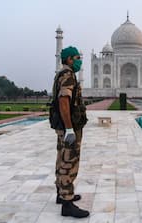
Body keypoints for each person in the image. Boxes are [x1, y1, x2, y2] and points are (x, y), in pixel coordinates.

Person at [53, 46, 89, 218]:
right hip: (68, 127)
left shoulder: (61, 73)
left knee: (61, 158)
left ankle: (61, 194)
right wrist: (69, 128)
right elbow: (64, 101)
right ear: (69, 59)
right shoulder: (68, 75)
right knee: (69, 162)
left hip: (62, 126)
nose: (79, 60)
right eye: (76, 57)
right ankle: (67, 204)